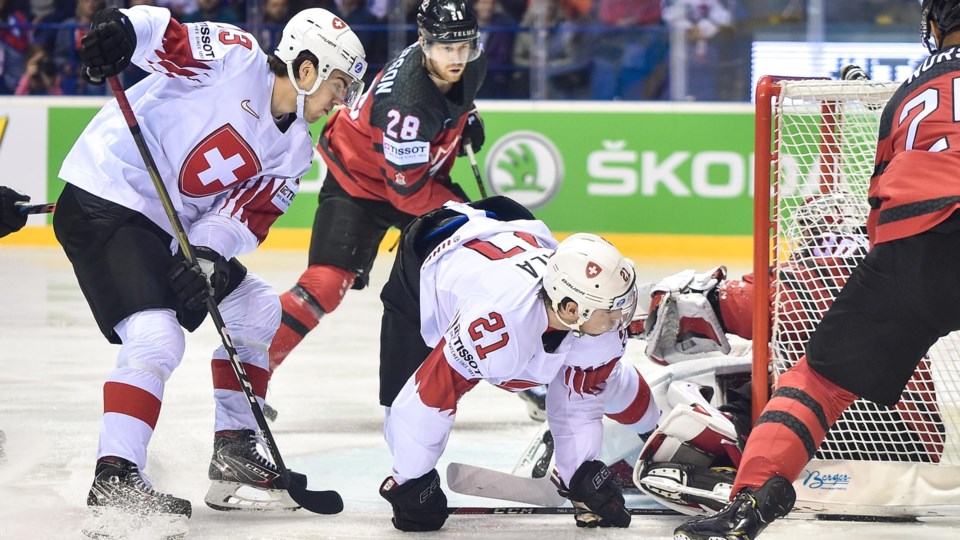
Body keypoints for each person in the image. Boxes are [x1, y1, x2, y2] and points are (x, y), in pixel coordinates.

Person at [51, 3, 366, 531]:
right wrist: (123, 28)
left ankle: (233, 451)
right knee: (156, 337)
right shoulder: (232, 58)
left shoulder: (294, 151)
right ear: (306, 69)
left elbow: (245, 212)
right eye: (339, 84)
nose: (341, 99)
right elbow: (164, 37)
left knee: (257, 308)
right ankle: (115, 478)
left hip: (169, 230)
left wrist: (208, 255)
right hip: (107, 198)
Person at [674, 2, 960, 538]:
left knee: (819, 381)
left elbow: (882, 195)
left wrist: (890, 281)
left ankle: (750, 501)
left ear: (937, 23)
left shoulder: (906, 94)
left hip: (911, 246)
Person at [376, 196, 659, 530]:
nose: (620, 320)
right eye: (611, 310)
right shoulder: (497, 328)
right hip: (427, 259)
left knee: (602, 377)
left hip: (512, 229)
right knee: (401, 406)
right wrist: (411, 480)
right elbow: (431, 396)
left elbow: (579, 402)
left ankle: (656, 434)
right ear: (570, 308)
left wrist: (580, 475)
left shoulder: (588, 315)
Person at [266, 0, 487, 393]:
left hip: (409, 176)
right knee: (324, 284)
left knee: (481, 268)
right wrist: (470, 220)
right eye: (445, 48)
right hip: (361, 182)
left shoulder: (472, 64)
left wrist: (463, 118)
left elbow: (448, 106)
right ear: (423, 43)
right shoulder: (404, 102)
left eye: (464, 47)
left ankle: (528, 379)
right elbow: (410, 194)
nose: (457, 58)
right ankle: (252, 368)